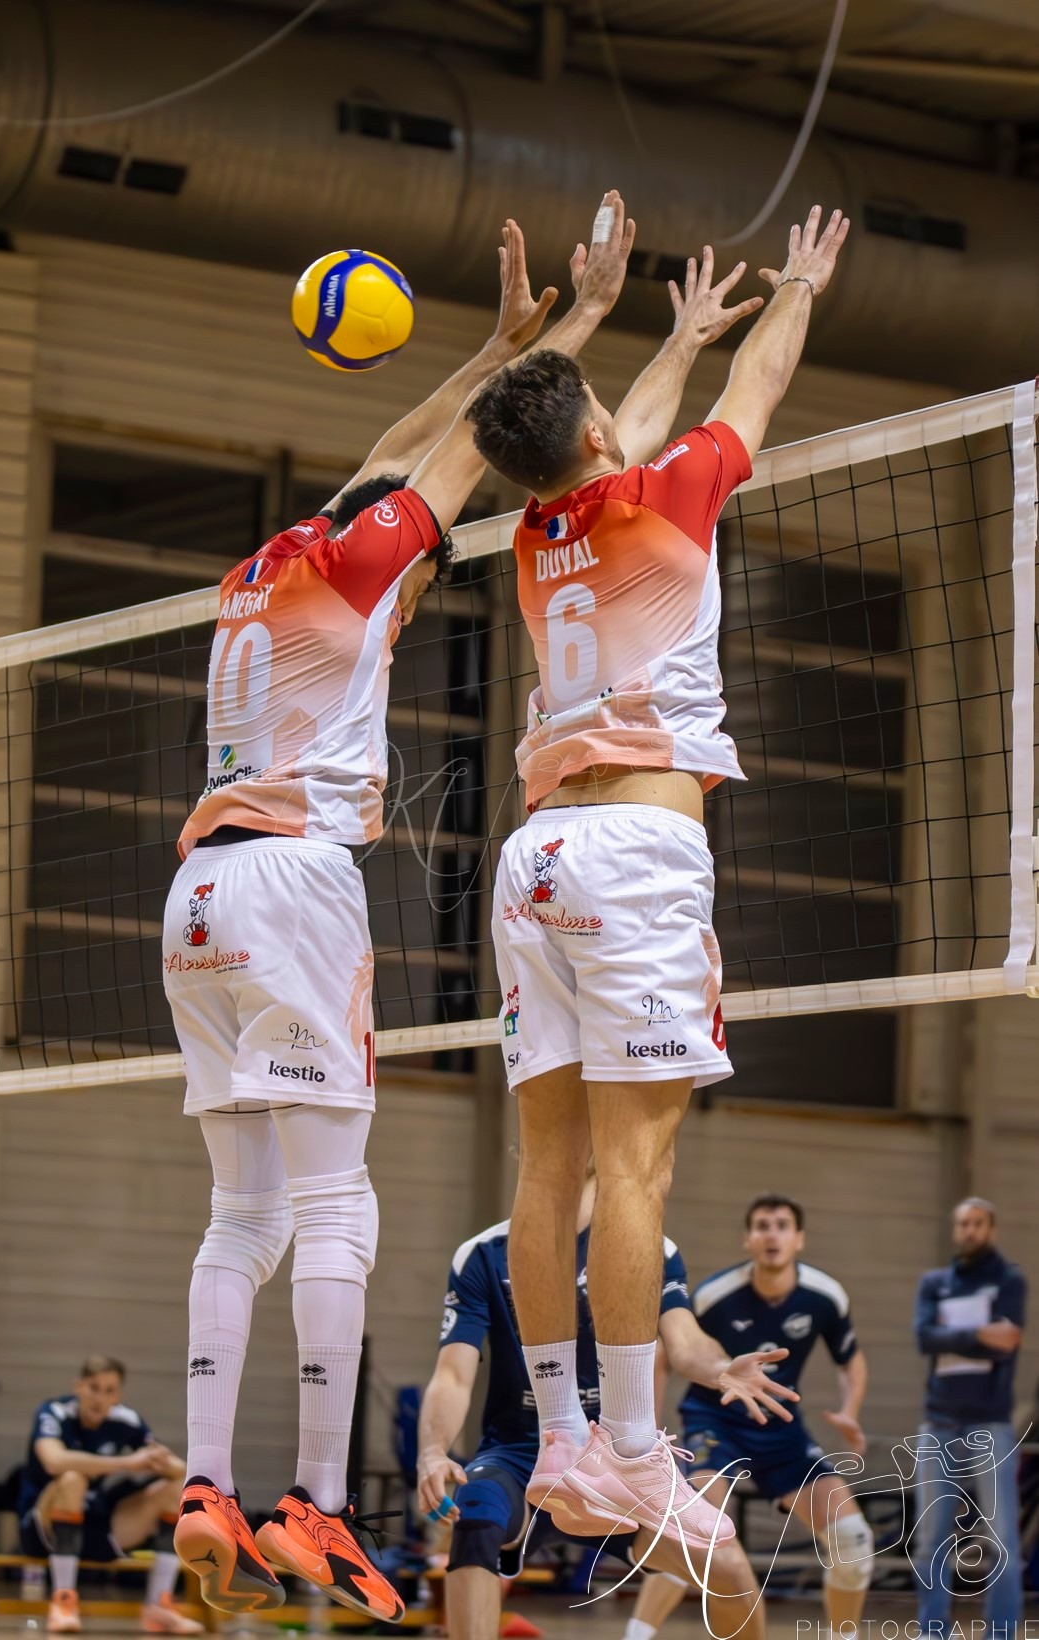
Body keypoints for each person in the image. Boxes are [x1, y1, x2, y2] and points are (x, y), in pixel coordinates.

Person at [162, 198, 638, 1625]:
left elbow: (389, 464)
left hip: (194, 897)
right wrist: (578, 325)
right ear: (405, 558)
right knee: (334, 1203)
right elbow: (479, 458)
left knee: (238, 1216)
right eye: (428, 571)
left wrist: (499, 335)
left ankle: (203, 1481)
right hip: (294, 881)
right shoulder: (374, 565)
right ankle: (311, 1493)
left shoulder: (270, 567)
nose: (425, 590)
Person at [465, 204, 850, 1542]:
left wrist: (675, 333)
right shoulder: (670, 487)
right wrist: (796, 288)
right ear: (592, 436)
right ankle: (633, 1453)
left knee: (547, 1174)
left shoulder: (536, 533)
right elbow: (765, 382)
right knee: (635, 1178)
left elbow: (609, 428)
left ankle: (565, 1441)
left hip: (537, 858)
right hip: (634, 851)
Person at [418, 1164, 798, 1640]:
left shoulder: (649, 1248)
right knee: (475, 1515)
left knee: (729, 1570)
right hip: (523, 1455)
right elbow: (453, 1373)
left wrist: (720, 1367)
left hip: (617, 1465)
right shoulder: (483, 1254)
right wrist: (433, 1449)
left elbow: (685, 1342)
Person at [630, 1193, 874, 1640]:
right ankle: (636, 1634)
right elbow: (666, 1353)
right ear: (748, 1239)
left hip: (780, 1429)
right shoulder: (716, 1296)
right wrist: (648, 1426)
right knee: (694, 1536)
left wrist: (849, 1411)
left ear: (799, 1239)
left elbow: (851, 1361)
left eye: (782, 1225)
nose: (772, 1234)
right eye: (762, 1226)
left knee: (854, 1539)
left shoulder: (825, 1296)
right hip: (715, 1421)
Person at [17, 1354, 201, 1637]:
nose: (99, 1398)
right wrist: (127, 1463)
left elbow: (177, 1468)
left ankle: (159, 1604)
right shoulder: (53, 1412)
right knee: (72, 1478)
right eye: (93, 1388)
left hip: (94, 1525)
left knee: (177, 1486)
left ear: (118, 1395)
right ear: (78, 1387)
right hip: (44, 1529)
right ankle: (63, 1601)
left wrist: (160, 1460)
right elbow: (53, 1460)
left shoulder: (125, 1420)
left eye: (109, 1391)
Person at [912, 1196, 1027, 1637]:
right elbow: (925, 1337)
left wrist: (952, 1336)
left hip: (991, 1425)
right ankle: (932, 1630)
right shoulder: (934, 1283)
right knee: (930, 1543)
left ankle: (1000, 1632)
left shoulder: (1009, 1280)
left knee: (1002, 1542)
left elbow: (1010, 1338)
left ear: (991, 1229)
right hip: (938, 1422)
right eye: (962, 1224)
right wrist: (982, 1333)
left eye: (977, 1224)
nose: (969, 1231)